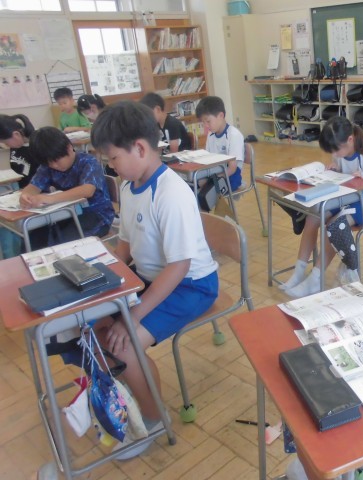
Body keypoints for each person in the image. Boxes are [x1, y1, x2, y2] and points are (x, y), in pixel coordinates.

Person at [90, 100, 219, 459]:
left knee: (125, 345)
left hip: (191, 285)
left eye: (113, 158)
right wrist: (101, 283)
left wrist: (132, 316)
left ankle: (154, 418)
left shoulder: (171, 193)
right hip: (150, 279)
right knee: (95, 326)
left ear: (140, 148)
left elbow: (178, 267)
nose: (111, 166)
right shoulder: (129, 186)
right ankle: (131, 393)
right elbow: (124, 246)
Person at [282, 116, 363, 298]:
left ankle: (315, 279)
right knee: (313, 217)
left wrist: (361, 182)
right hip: (348, 196)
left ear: (350, 140)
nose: (335, 154)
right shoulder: (339, 151)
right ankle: (298, 272)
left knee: (334, 225)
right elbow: (342, 173)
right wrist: (335, 170)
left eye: (336, 150)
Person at [19, 126, 114, 250]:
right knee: (32, 239)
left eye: (56, 160)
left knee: (62, 244)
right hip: (66, 214)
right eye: (48, 162)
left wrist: (49, 199)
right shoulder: (47, 167)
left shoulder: (88, 162)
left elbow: (87, 190)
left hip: (96, 216)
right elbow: (34, 186)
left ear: (69, 148)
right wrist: (26, 195)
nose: (54, 165)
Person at [0, 113, 38, 256]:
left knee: (9, 224)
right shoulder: (16, 147)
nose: (6, 146)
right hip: (20, 192)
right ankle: (12, 255)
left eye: (5, 142)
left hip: (35, 195)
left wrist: (25, 192)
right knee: (5, 223)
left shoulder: (37, 146)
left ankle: (16, 254)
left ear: (16, 134)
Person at [195, 95, 244, 193]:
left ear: (221, 116)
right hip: (215, 173)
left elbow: (232, 168)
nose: (205, 126)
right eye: (203, 122)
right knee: (193, 184)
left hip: (230, 177)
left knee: (203, 193)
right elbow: (208, 159)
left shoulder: (233, 135)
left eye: (208, 121)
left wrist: (212, 180)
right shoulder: (211, 135)